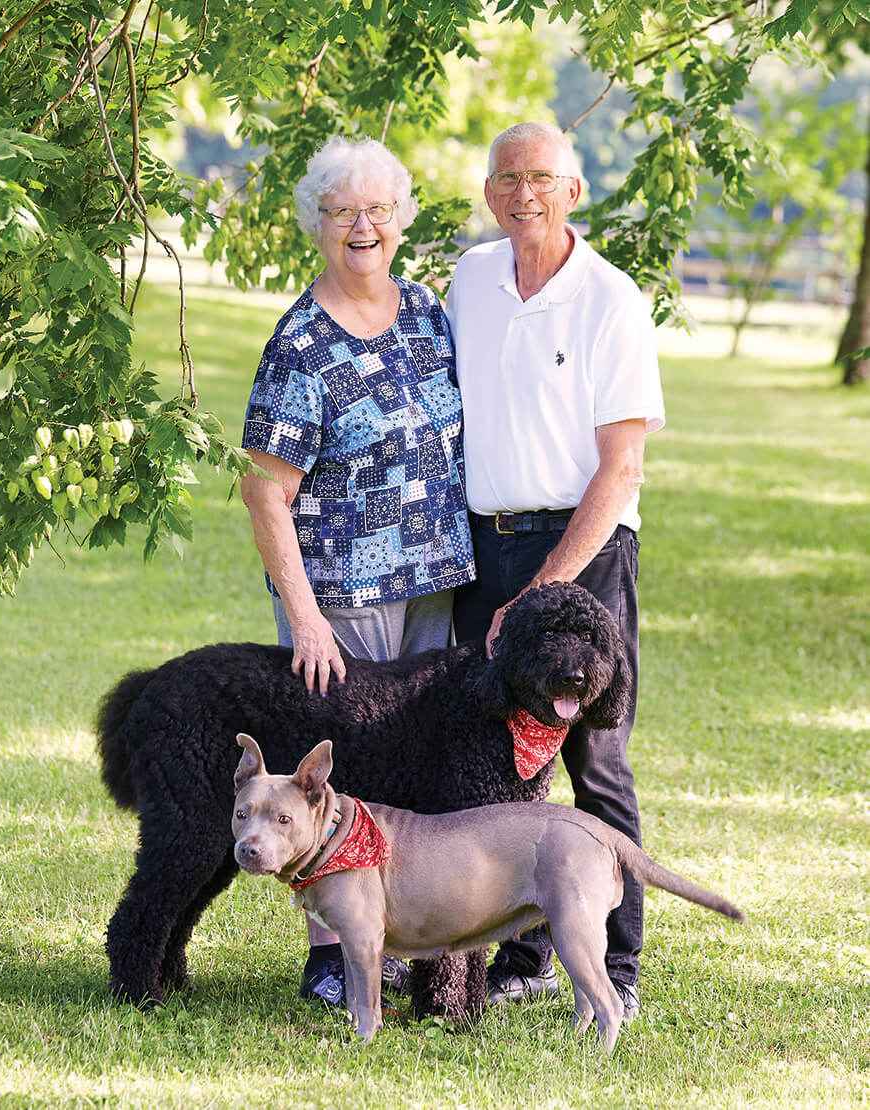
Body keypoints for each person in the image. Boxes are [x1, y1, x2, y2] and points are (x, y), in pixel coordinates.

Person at [240, 135, 476, 1008]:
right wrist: (304, 618)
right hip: (341, 598)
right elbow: (265, 493)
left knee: (412, 771)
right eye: (344, 212)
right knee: (338, 779)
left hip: (434, 584)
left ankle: (402, 942)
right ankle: (331, 957)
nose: (363, 226)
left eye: (378, 209)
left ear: (401, 218)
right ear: (319, 224)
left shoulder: (425, 311)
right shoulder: (303, 342)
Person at [446, 121, 665, 1021]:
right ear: (490, 194)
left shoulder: (611, 300)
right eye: (507, 179)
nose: (523, 193)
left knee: (592, 755)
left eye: (541, 177)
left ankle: (618, 963)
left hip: (584, 550)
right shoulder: (469, 278)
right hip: (481, 544)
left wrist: (544, 587)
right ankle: (525, 949)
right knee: (496, 757)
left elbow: (621, 469)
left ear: (574, 191)